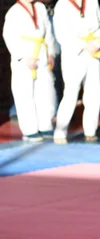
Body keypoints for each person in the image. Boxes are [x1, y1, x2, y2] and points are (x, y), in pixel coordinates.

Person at [52, 0, 100, 143]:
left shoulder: (92, 1)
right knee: (71, 93)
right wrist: (84, 45)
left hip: (93, 51)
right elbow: (61, 35)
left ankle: (91, 130)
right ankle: (60, 131)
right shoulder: (62, 5)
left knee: (94, 92)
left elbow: (99, 27)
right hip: (73, 54)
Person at [3, 0, 57, 142]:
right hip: (25, 59)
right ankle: (30, 130)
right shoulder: (14, 12)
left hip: (42, 54)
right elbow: (10, 38)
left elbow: (49, 31)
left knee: (45, 92)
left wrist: (51, 52)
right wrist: (24, 57)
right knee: (25, 95)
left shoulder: (40, 7)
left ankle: (45, 125)